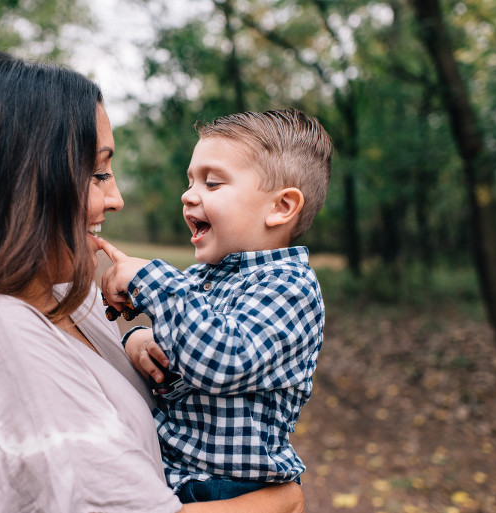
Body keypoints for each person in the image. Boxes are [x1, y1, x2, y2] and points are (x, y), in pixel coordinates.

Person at [0, 51, 305, 512]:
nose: (116, 198)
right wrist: (283, 500)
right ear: (20, 185)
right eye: (97, 173)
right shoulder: (1, 331)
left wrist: (142, 343)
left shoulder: (71, 299)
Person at [99, 108, 332, 503]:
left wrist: (151, 279)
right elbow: (180, 341)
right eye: (190, 181)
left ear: (280, 207)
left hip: (229, 489)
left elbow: (225, 358)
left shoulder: (291, 289)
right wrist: (139, 340)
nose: (189, 195)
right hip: (174, 477)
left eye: (213, 183)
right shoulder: (201, 279)